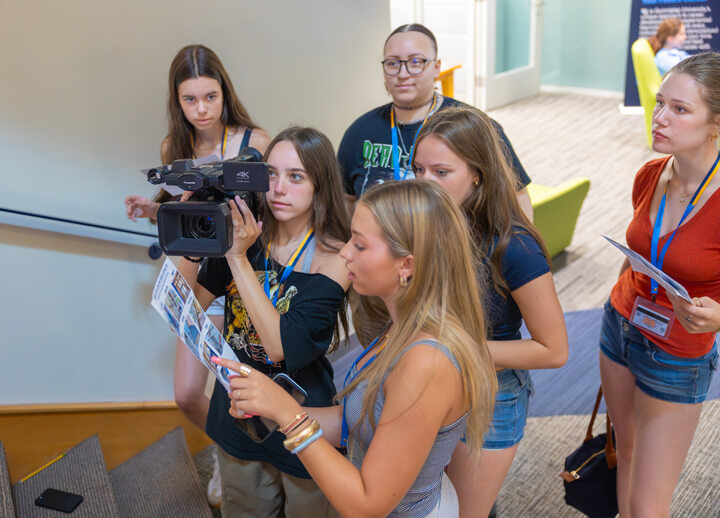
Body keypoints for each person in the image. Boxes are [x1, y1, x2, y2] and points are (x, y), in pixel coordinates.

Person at [214, 180, 498, 517]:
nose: (345, 252)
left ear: (406, 265)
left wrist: (289, 415)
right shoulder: (402, 326)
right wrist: (272, 409)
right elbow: (360, 423)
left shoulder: (427, 362)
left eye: (360, 245)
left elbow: (366, 504)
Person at [123, 44, 271, 506]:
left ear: (224, 92)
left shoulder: (256, 141)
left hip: (246, 270)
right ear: (177, 101)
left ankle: (244, 463)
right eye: (190, 100)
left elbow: (275, 210)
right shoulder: (176, 147)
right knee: (187, 394)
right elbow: (178, 210)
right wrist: (154, 209)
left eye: (210, 96)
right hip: (196, 272)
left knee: (245, 392)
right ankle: (231, 451)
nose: (201, 109)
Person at [412, 107, 568, 517]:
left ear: (477, 174)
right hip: (433, 379)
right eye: (419, 170)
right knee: (431, 498)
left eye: (441, 172)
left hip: (490, 394)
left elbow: (553, 350)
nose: (426, 183)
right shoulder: (429, 226)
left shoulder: (514, 246)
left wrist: (455, 348)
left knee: (465, 510)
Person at [191, 126, 351, 517]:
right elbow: (194, 304)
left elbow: (284, 347)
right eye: (271, 175)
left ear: (320, 185)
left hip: (300, 413)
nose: (278, 188)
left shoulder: (337, 258)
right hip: (237, 410)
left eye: (296, 177)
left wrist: (237, 258)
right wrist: (195, 233)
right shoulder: (245, 235)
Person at [599, 52, 720, 517]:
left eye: (680, 109)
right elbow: (641, 253)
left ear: (715, 124)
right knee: (625, 456)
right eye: (659, 103)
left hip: (678, 352)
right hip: (620, 326)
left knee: (650, 505)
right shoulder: (651, 174)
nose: (659, 119)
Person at [337, 23, 533, 219]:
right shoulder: (360, 131)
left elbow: (517, 198)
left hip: (459, 247)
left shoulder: (474, 126)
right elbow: (346, 203)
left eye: (416, 62)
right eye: (392, 63)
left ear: (436, 68)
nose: (403, 74)